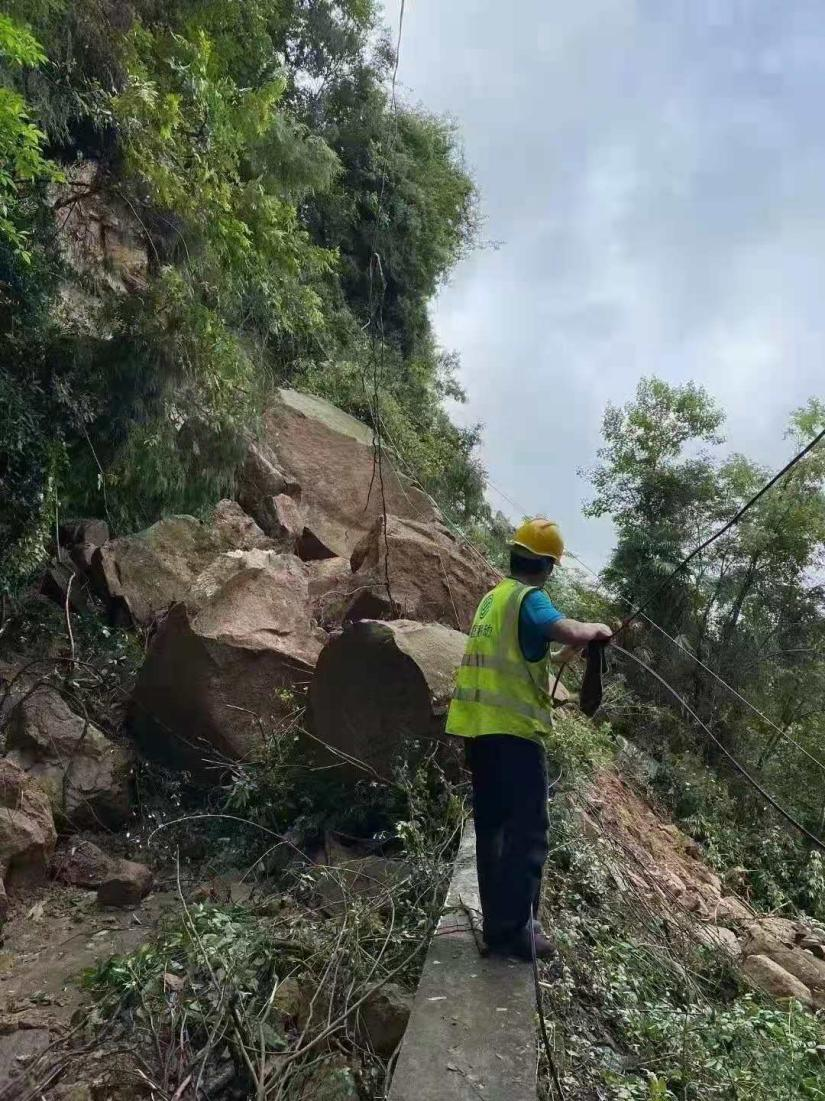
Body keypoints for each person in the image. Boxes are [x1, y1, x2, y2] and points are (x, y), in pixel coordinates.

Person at [445, 518, 612, 960]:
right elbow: (568, 629)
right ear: (548, 567)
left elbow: (526, 650)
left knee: (494, 830)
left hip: (479, 733)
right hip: (515, 737)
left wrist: (561, 655)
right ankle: (516, 930)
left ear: (514, 555)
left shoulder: (493, 599)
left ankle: (501, 924)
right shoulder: (531, 598)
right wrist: (593, 629)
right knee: (529, 833)